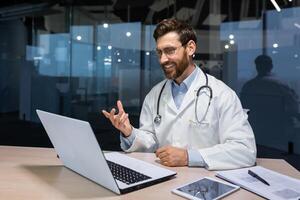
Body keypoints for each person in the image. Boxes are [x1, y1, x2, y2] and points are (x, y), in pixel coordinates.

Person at [102, 19, 256, 170]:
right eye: (159, 52)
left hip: (205, 185)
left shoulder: (222, 94)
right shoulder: (155, 95)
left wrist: (189, 157)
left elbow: (244, 150)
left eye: (169, 51)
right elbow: (151, 142)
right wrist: (129, 133)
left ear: (190, 48)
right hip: (162, 179)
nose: (163, 59)